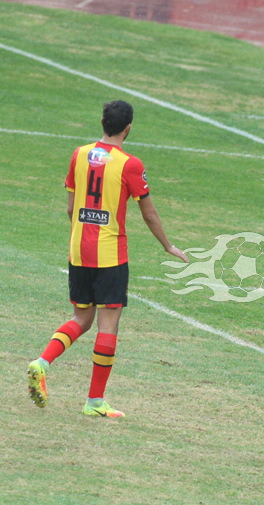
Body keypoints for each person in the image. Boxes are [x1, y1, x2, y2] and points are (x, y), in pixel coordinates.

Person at [27, 100, 188, 418]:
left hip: (78, 251)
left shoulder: (80, 154)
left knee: (80, 319)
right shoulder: (130, 164)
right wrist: (168, 246)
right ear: (128, 128)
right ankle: (94, 401)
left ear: (103, 123)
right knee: (108, 326)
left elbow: (71, 209)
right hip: (111, 255)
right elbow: (149, 213)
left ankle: (42, 362)